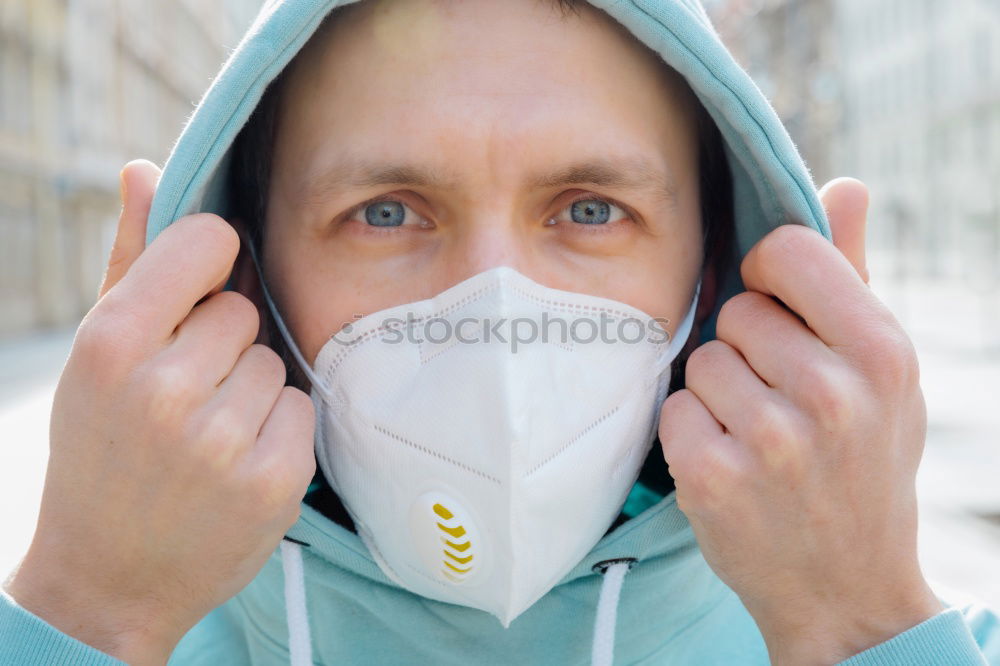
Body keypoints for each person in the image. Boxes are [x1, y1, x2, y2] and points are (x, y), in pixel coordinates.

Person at [2, 0, 998, 664]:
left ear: (715, 270)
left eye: (591, 209)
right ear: (248, 283)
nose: (497, 313)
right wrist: (89, 614)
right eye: (387, 211)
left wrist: (862, 627)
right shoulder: (98, 626)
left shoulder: (929, 637)